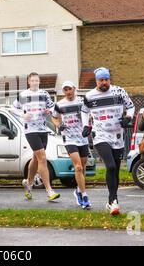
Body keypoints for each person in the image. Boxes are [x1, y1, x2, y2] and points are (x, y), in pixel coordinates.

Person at [81, 67, 135, 215]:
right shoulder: (90, 95)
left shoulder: (119, 91)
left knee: (116, 170)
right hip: (100, 134)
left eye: (106, 79)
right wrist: (86, 125)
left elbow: (131, 107)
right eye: (101, 80)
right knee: (110, 166)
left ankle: (111, 201)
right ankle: (114, 201)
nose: (104, 82)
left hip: (117, 134)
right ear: (96, 81)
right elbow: (84, 111)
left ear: (109, 80)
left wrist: (128, 118)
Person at [12, 72, 60, 202]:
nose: (34, 83)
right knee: (42, 158)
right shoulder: (23, 95)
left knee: (36, 158)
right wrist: (23, 115)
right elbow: (13, 108)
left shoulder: (44, 94)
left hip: (43, 130)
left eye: (37, 81)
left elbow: (52, 107)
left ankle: (28, 184)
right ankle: (49, 191)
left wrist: (49, 111)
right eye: (32, 81)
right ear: (28, 82)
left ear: (39, 82)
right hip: (30, 130)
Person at [52, 81, 91, 209]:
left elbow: (90, 114)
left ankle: (78, 190)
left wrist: (89, 126)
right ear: (63, 92)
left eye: (70, 89)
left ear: (74, 89)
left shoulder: (82, 101)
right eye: (65, 90)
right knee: (78, 167)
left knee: (83, 166)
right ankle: (84, 196)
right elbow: (54, 117)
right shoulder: (60, 104)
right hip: (69, 138)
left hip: (82, 137)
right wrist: (58, 125)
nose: (68, 92)